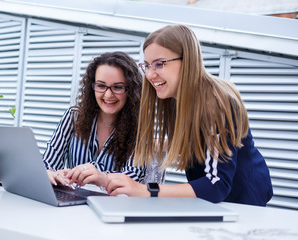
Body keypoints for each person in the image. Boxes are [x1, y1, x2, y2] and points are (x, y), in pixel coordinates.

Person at [104, 24, 273, 206]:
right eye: (146, 66)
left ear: (188, 60)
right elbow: (202, 140)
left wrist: (143, 190)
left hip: (243, 202)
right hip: (214, 204)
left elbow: (216, 184)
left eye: (159, 64)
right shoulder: (179, 98)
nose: (151, 74)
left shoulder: (215, 102)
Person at [42, 51, 145, 188]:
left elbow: (133, 177)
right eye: (101, 86)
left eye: (118, 87)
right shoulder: (74, 117)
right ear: (92, 87)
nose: (108, 95)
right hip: (71, 203)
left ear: (131, 90)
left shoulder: (141, 129)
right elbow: (48, 163)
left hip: (112, 206)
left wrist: (102, 178)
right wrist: (50, 173)